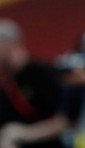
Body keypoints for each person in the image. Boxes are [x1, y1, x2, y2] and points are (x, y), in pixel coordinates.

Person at [0, 19, 69, 148]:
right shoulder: (7, 84)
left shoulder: (41, 74)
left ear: (9, 45)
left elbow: (63, 122)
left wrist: (24, 133)